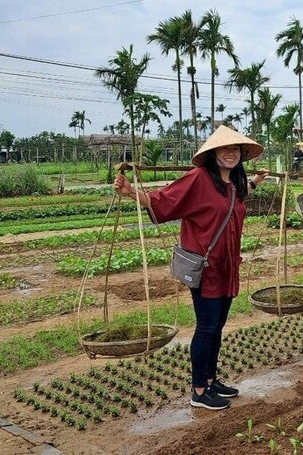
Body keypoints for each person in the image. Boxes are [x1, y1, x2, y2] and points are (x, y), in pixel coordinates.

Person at [114, 125, 267, 411]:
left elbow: (236, 199)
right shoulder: (198, 179)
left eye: (235, 149)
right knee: (207, 327)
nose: (230, 154)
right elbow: (164, 199)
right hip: (207, 268)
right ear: (212, 154)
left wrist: (256, 181)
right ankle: (199, 390)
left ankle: (211, 380)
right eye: (224, 149)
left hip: (228, 266)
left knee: (218, 327)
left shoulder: (233, 183)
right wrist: (131, 192)